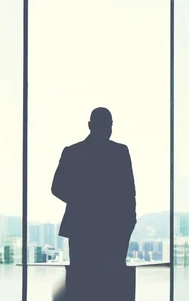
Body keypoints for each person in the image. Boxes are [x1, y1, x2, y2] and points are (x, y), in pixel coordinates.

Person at [52, 107, 136, 266]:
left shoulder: (72, 152)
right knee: (111, 282)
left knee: (81, 281)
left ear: (89, 125)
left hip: (80, 227)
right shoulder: (120, 152)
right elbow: (129, 193)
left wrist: (81, 200)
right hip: (113, 227)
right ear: (110, 126)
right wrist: (129, 222)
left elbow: (57, 188)